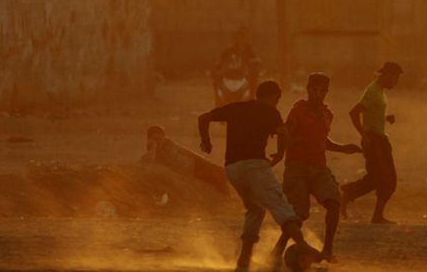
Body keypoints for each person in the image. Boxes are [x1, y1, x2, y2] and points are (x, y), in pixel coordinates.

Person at [199, 80, 319, 272]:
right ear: (275, 97)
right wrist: (280, 155)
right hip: (254, 165)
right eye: (278, 99)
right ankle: (303, 246)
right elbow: (283, 133)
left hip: (232, 169)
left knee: (255, 210)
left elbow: (203, 118)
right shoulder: (270, 111)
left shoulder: (237, 107)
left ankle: (243, 262)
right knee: (280, 205)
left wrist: (206, 140)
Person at [271, 73, 362, 263]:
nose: (318, 94)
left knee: (334, 201)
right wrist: (282, 152)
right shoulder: (298, 111)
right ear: (308, 89)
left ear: (326, 92)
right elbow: (284, 132)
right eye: (314, 90)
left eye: (322, 91)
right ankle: (278, 248)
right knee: (299, 213)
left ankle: (327, 250)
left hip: (319, 166)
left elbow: (322, 140)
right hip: (297, 167)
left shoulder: (328, 114)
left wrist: (343, 148)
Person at [341, 61, 402, 225]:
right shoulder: (373, 91)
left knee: (376, 178)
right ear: (388, 75)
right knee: (387, 180)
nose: (396, 82)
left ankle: (347, 194)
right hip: (375, 141)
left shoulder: (380, 91)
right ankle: (376, 216)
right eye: (395, 78)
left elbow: (372, 114)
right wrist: (364, 136)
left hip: (380, 139)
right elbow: (354, 113)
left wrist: (385, 118)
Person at [140, 125, 229, 194]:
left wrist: (201, 158)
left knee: (221, 172)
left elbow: (184, 151)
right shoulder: (151, 154)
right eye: (155, 139)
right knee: (215, 179)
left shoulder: (169, 143)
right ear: (149, 139)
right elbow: (148, 163)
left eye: (160, 139)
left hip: (195, 163)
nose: (159, 141)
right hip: (191, 171)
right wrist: (153, 147)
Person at [211, 28, 262, 106]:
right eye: (237, 37)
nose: (239, 40)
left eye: (241, 37)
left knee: (254, 81)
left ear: (244, 39)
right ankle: (218, 101)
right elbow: (222, 59)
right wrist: (218, 64)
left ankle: (253, 100)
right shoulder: (229, 50)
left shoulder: (249, 49)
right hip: (230, 74)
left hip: (244, 74)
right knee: (217, 80)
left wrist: (254, 61)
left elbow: (256, 59)